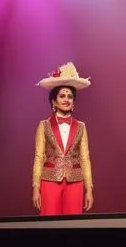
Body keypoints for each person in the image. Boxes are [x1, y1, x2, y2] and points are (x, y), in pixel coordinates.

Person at [32, 62, 94, 215]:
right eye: (62, 96)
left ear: (73, 102)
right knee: (49, 224)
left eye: (70, 97)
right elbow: (39, 157)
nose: (66, 100)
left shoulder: (81, 126)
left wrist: (89, 189)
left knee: (73, 226)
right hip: (49, 180)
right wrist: (35, 188)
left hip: (75, 181)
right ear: (53, 101)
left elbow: (85, 158)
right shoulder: (44, 125)